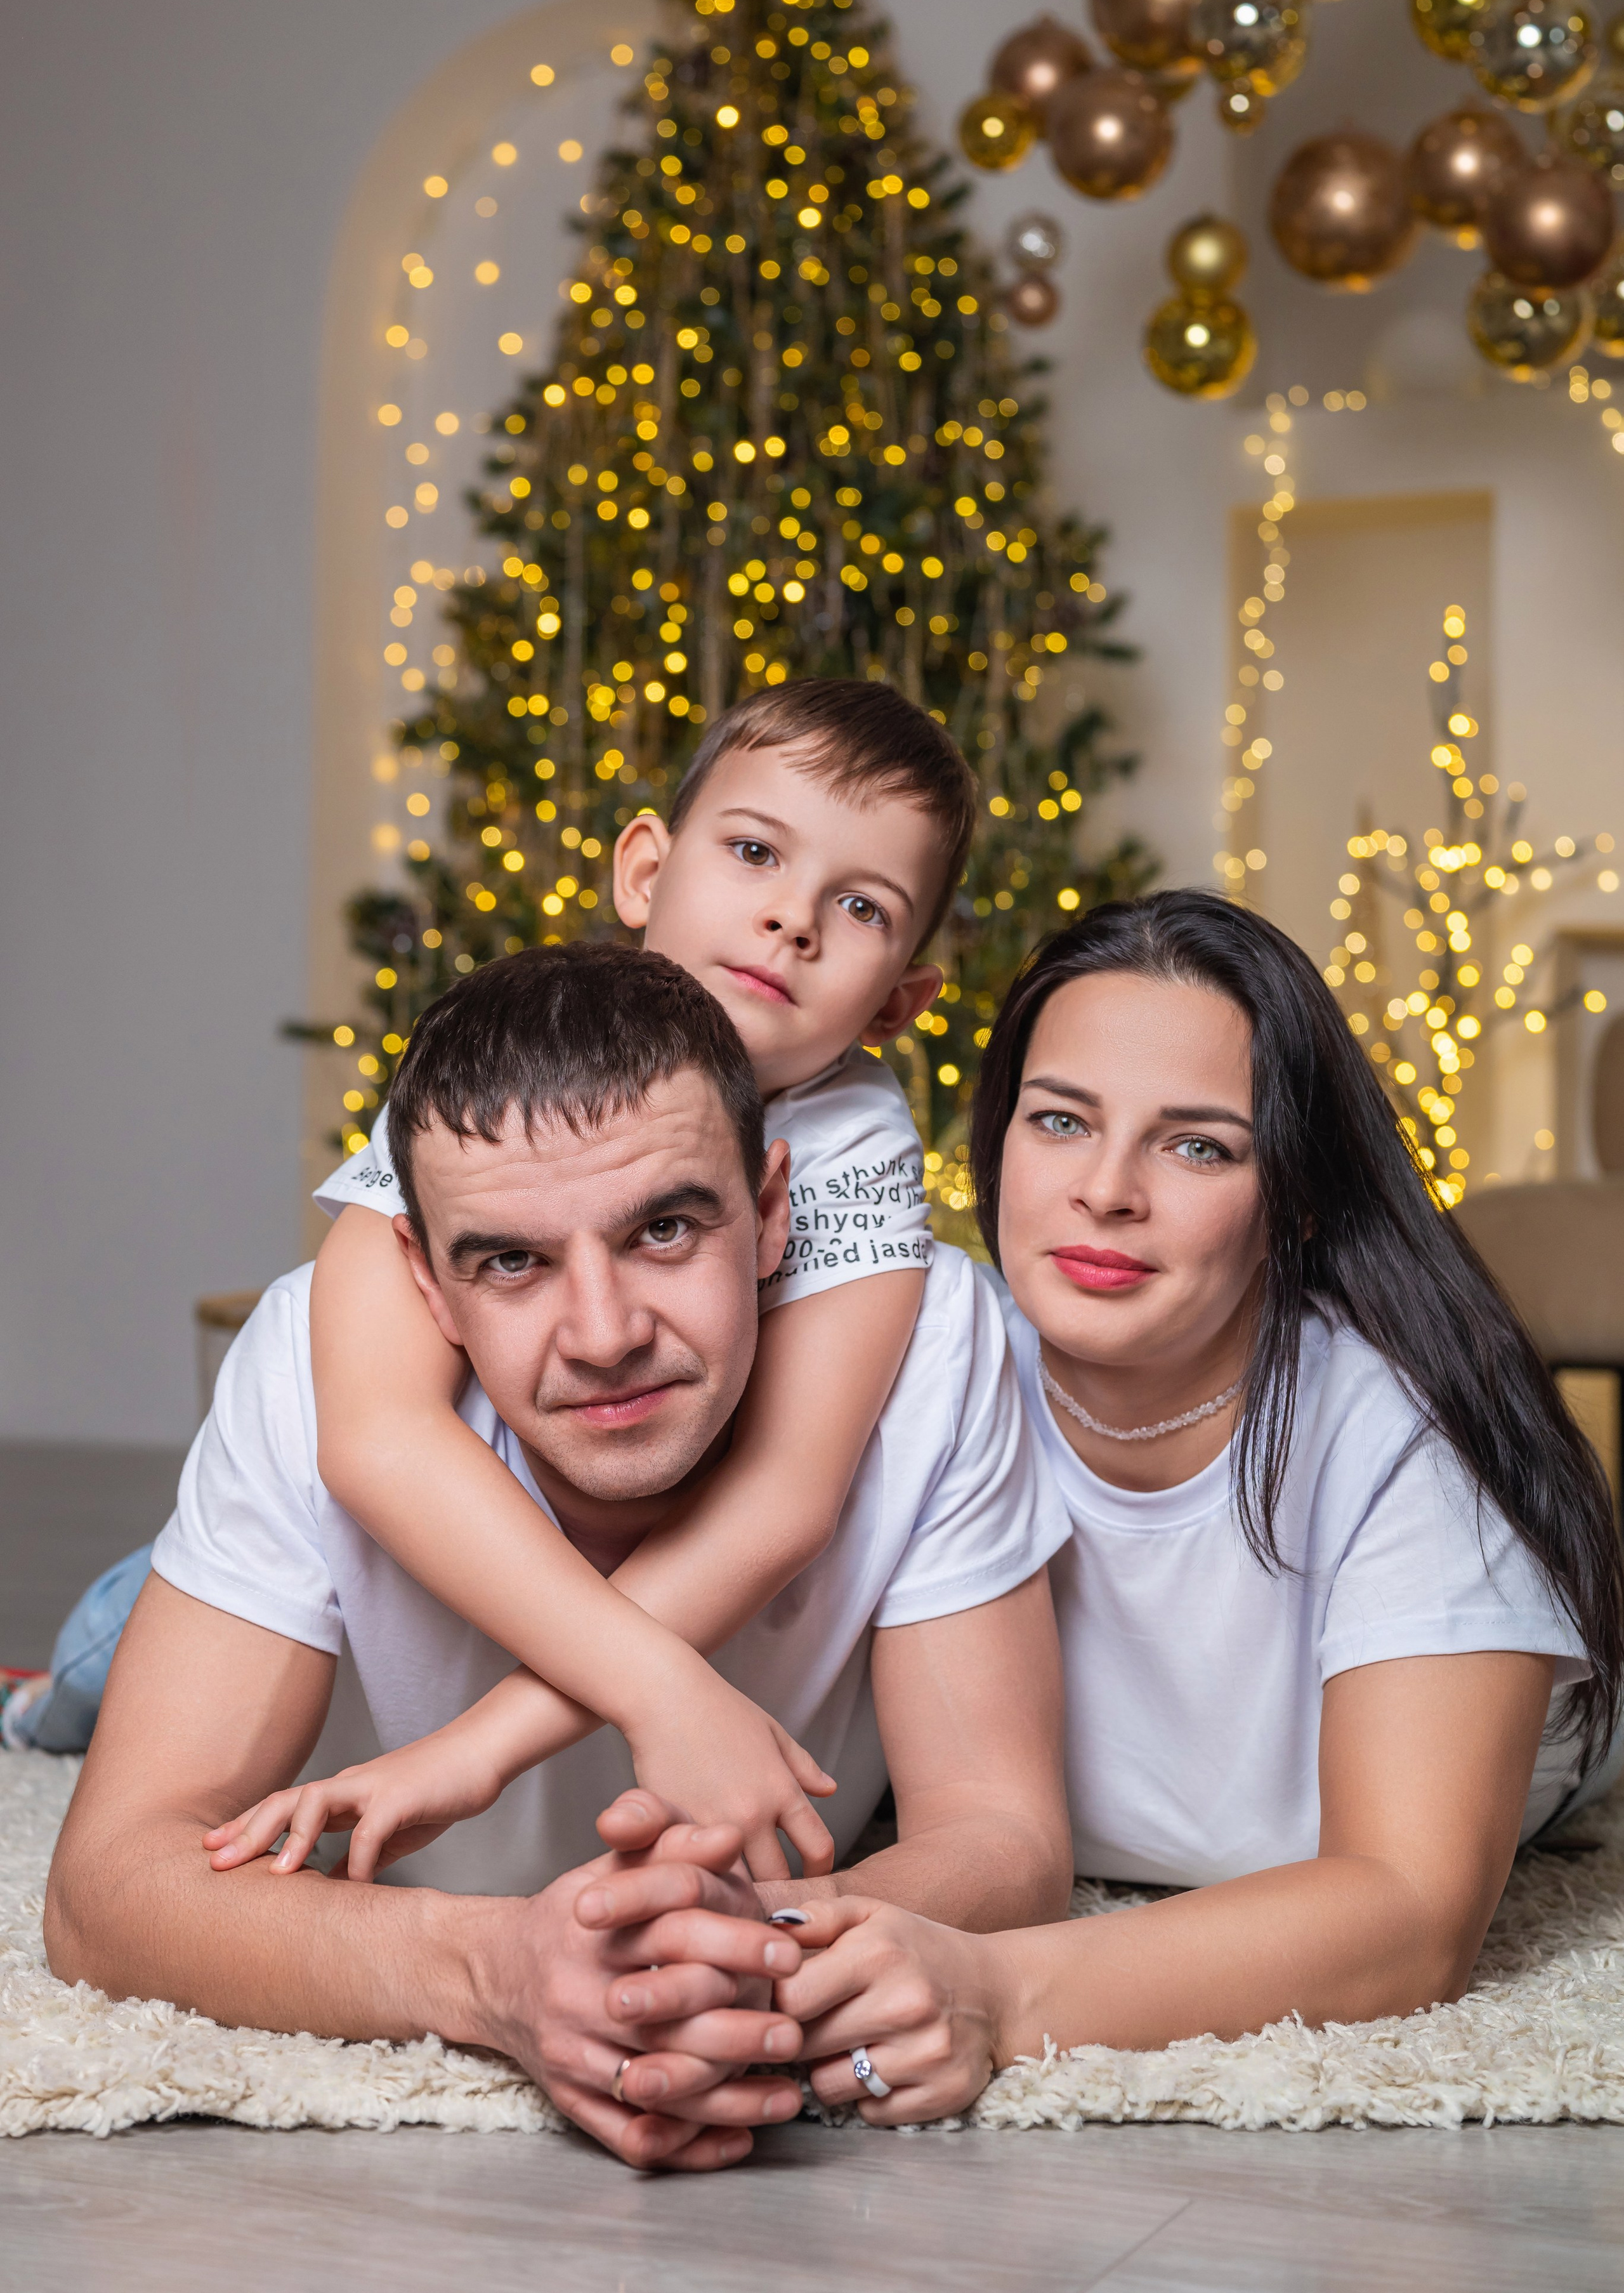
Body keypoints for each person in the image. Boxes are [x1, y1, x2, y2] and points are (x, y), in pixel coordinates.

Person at [44, 941, 1073, 2171]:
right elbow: (100, 1892)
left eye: (664, 1228)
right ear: (424, 1281)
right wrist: (488, 1970)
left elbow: (1007, 1836)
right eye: (512, 1261)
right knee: (87, 1677)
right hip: (202, 1610)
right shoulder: (304, 1367)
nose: (603, 1336)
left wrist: (735, 1944)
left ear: (769, 1211)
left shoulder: (930, 1344)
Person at [676, 890, 1624, 2125]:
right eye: (1059, 1121)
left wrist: (997, 1990)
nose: (1104, 1191)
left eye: (1196, 1146)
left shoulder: (1397, 1423)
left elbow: (1410, 1916)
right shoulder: (914, 1361)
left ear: (1288, 1195)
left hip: (1548, 1769)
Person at [13, 681, 972, 1851]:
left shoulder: (861, 1142)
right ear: (643, 872)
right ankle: (44, 1694)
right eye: (755, 851)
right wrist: (660, 1686)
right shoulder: (515, 1077)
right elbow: (376, 1434)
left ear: (901, 1004)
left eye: (861, 907)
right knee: (106, 1666)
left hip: (553, 1566)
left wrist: (484, 1745)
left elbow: (781, 1502)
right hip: (308, 1550)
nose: (792, 920)